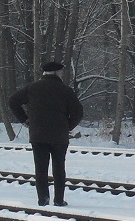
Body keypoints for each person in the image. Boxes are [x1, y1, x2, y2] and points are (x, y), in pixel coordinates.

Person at [9, 61, 84, 207]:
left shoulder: (32, 88)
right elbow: (78, 112)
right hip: (59, 136)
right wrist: (68, 126)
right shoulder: (65, 90)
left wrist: (24, 119)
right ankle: (59, 200)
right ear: (57, 73)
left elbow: (13, 101)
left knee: (41, 168)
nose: (62, 74)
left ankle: (43, 199)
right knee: (59, 168)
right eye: (61, 72)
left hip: (38, 134)